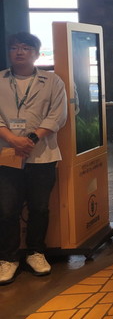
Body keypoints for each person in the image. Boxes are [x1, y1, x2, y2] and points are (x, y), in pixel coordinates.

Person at [0, 33, 66, 286]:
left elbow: (58, 114)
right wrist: (12, 139)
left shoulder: (52, 81)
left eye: (26, 48)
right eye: (14, 48)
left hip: (42, 155)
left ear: (37, 54)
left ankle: (36, 252)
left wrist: (31, 139)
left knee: (39, 207)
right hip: (6, 154)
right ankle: (8, 258)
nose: (19, 52)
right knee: (7, 208)